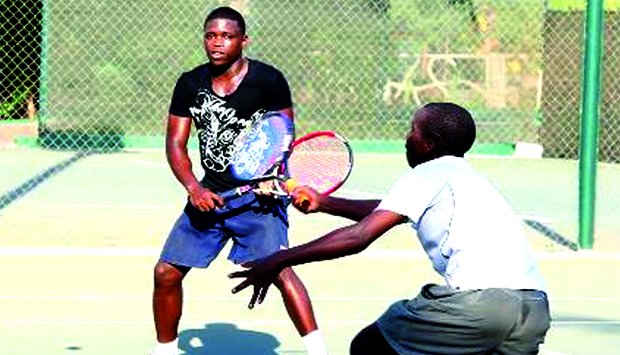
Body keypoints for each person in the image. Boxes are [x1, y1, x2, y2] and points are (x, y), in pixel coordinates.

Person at [230, 102, 551, 354]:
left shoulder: (428, 174)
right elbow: (388, 210)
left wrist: (277, 259)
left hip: (479, 306)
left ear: (428, 144)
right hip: (534, 311)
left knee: (371, 346)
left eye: (413, 130)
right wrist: (323, 203)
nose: (407, 137)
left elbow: (360, 236)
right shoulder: (469, 179)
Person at [151, 6, 327, 355]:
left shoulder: (268, 80)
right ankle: (165, 350)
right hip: (209, 197)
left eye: (227, 36)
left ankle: (318, 351)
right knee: (165, 273)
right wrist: (194, 188)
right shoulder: (190, 83)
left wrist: (281, 183)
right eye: (211, 36)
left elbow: (283, 137)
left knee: (280, 271)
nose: (217, 43)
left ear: (243, 41)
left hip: (259, 200)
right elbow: (175, 144)